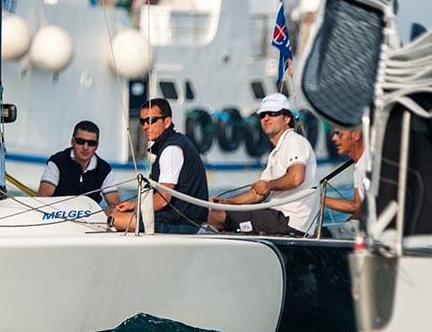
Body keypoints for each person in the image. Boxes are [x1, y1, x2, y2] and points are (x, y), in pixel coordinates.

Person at [207, 92, 317, 236]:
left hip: (290, 221)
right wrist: (226, 202)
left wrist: (269, 185)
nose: (266, 118)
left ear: (287, 118)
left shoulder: (294, 141)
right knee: (217, 210)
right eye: (263, 114)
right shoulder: (275, 153)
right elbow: (258, 194)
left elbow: (296, 177)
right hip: (277, 216)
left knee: (214, 217)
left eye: (273, 113)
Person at [108, 98, 209, 234]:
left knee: (113, 218)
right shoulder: (174, 142)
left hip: (181, 223)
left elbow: (162, 200)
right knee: (113, 211)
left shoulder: (171, 149)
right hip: (181, 219)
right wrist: (133, 205)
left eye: (151, 120)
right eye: (142, 121)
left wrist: (135, 207)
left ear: (167, 122)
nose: (145, 126)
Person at [37, 120, 120, 208]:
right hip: (56, 213)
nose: (85, 147)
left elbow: (116, 206)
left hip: (90, 215)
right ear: (72, 142)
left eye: (91, 143)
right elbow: (43, 198)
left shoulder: (104, 169)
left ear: (97, 146)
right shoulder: (57, 162)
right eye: (80, 141)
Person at [323, 126, 369, 219]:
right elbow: (357, 205)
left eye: (339, 134)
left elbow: (362, 208)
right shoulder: (359, 164)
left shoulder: (368, 162)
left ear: (356, 135)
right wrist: (318, 199)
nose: (333, 138)